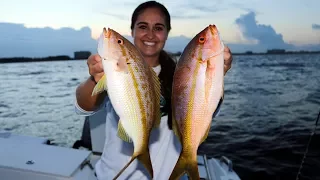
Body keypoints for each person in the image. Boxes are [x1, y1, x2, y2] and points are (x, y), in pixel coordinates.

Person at [74, 1, 233, 179]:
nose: (150, 34)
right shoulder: (113, 70)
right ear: (132, 30)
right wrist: (95, 79)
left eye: (158, 27)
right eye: (143, 26)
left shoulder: (183, 74)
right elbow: (83, 105)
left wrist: (216, 74)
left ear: (167, 33)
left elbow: (204, 108)